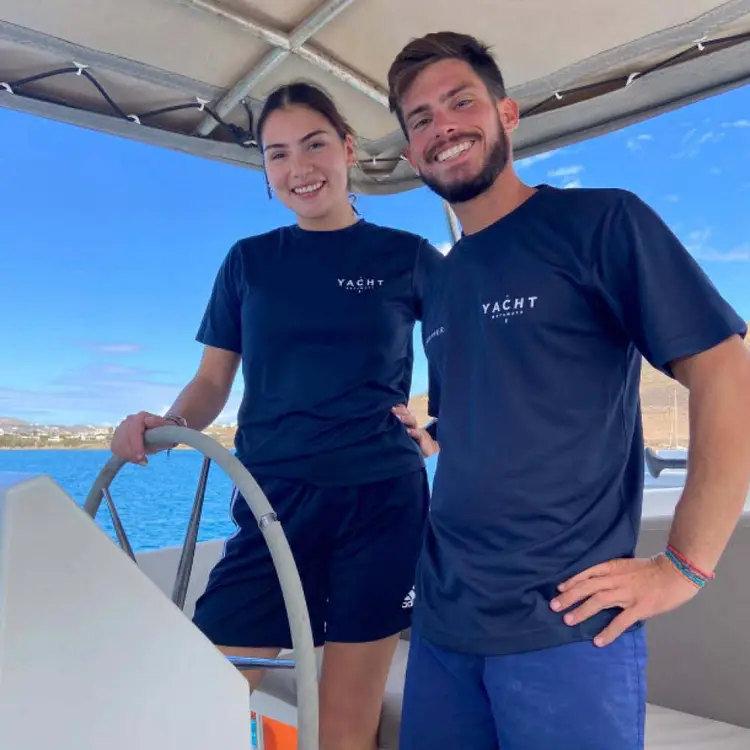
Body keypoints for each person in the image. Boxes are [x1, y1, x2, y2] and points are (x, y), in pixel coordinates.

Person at [385, 31, 750, 750]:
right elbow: (472, 418)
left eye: (460, 102)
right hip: (443, 624)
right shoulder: (442, 281)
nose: (442, 126)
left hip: (566, 625)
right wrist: (421, 436)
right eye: (421, 119)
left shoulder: (600, 224)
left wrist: (683, 567)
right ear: (410, 153)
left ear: (507, 114)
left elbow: (726, 370)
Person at [110, 80, 443, 750]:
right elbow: (212, 381)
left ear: (348, 149)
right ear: (265, 170)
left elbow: (471, 356)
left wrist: (441, 427)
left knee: (344, 729)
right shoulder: (249, 262)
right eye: (279, 154)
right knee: (197, 695)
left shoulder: (406, 256)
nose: (300, 167)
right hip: (272, 506)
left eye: (315, 145)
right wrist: (163, 426)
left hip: (380, 505)